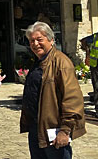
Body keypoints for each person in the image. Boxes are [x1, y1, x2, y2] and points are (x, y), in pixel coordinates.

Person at [20, 21, 86, 159]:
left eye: (39, 39)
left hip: (54, 131)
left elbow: (72, 99)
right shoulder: (39, 62)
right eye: (32, 41)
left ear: (51, 40)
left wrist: (65, 130)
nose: (35, 44)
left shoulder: (61, 63)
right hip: (37, 128)